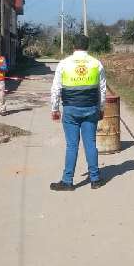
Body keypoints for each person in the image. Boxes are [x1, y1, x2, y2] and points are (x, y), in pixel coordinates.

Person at [49, 34, 107, 190]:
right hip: (90, 109)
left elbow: (56, 89)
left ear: (73, 45)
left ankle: (67, 181)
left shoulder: (64, 63)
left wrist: (54, 109)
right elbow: (102, 89)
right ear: (88, 46)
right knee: (91, 144)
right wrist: (101, 108)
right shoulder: (96, 64)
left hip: (71, 109)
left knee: (72, 145)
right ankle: (95, 179)